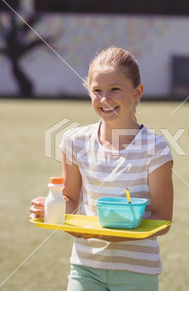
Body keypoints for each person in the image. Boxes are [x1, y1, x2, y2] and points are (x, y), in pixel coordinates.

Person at [29, 46, 173, 291]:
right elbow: (72, 201)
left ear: (137, 92)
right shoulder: (74, 142)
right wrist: (52, 208)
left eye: (115, 89)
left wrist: (113, 235)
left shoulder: (156, 148)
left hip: (137, 271)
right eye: (97, 91)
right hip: (85, 268)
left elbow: (162, 219)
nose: (105, 99)